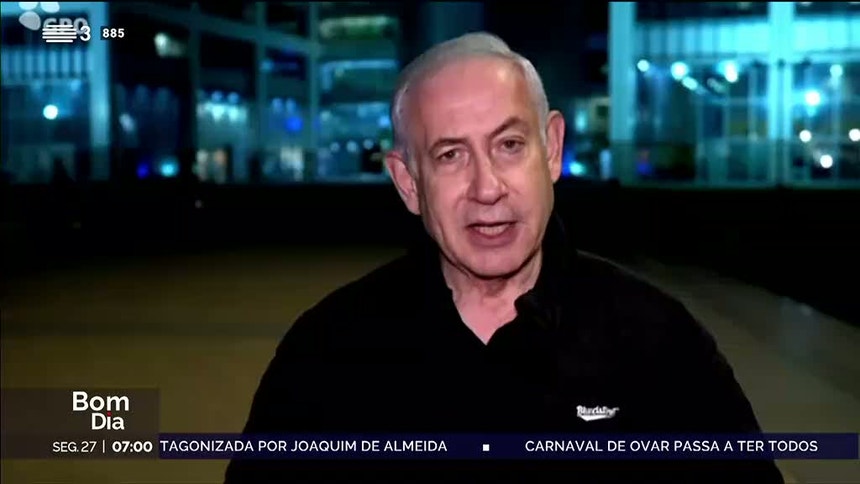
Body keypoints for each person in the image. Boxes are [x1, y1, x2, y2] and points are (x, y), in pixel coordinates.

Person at [225, 33, 783, 483]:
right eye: (450, 155)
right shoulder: (326, 353)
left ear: (553, 149)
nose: (487, 188)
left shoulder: (660, 342)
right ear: (408, 182)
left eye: (509, 145)